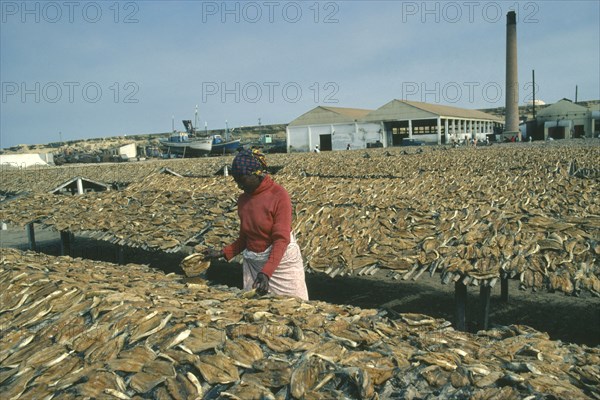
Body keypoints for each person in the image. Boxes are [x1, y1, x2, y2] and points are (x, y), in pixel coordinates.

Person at [203, 149, 309, 300]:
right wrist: (221, 253)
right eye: (236, 180)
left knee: (297, 309)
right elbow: (245, 238)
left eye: (242, 179)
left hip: (281, 264)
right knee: (258, 312)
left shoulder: (279, 195)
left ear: (256, 173)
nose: (239, 185)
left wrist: (266, 272)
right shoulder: (243, 200)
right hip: (255, 265)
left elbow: (281, 239)